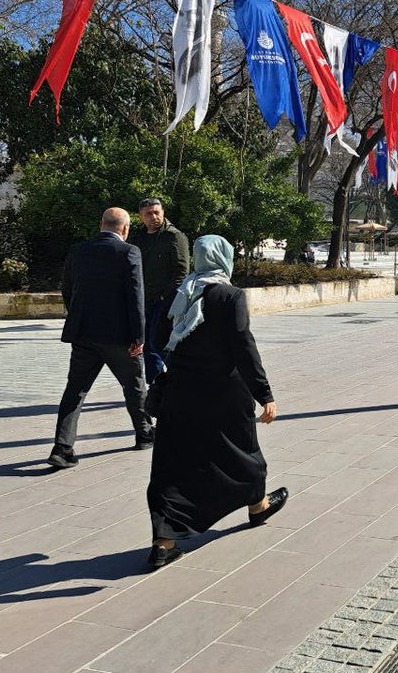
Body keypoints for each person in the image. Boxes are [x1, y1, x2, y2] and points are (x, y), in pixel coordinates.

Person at [146, 235, 285, 569]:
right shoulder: (229, 295)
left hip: (180, 393)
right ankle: (257, 506)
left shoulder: (181, 294)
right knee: (243, 454)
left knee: (172, 466)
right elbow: (243, 346)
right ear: (225, 258)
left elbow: (158, 340)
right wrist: (264, 395)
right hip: (224, 394)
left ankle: (164, 544)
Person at [49, 208, 154, 470]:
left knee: (75, 390)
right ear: (126, 228)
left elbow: (67, 289)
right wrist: (139, 336)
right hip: (120, 337)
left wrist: (78, 317)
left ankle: (62, 448)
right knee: (134, 386)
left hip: (84, 334)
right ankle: (144, 435)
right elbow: (136, 296)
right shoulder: (129, 252)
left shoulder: (78, 250)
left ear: (101, 225)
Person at [131, 199, 190, 386]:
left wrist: (166, 296)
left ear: (163, 212)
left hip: (164, 301)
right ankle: (156, 386)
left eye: (157, 212)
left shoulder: (174, 236)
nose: (154, 217)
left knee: (158, 345)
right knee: (147, 346)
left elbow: (182, 271)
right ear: (140, 216)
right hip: (143, 300)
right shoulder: (139, 238)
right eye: (148, 214)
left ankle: (181, 380)